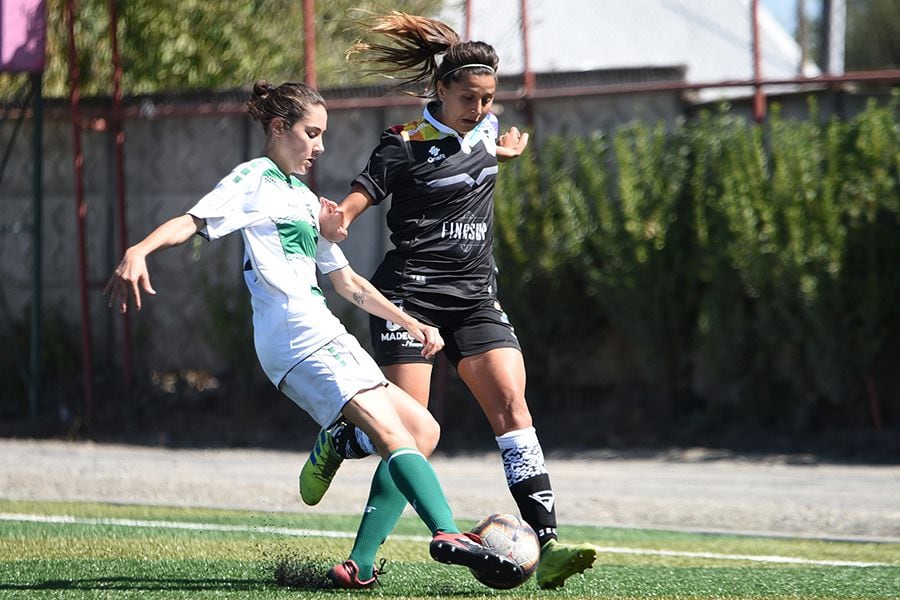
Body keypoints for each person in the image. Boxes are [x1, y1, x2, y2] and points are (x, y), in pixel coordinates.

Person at [103, 79, 524, 590]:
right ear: (279, 128)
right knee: (394, 438)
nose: (320, 146)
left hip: (323, 329)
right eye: (312, 133)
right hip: (295, 335)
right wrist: (140, 250)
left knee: (424, 431)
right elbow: (191, 221)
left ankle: (353, 523)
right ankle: (445, 532)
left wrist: (411, 322)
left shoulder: (302, 198)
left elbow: (346, 282)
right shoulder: (254, 179)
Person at [298, 12, 598, 590]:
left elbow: (478, 151)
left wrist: (503, 152)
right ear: (440, 90)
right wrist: (338, 220)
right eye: (469, 98)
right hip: (408, 298)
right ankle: (357, 533)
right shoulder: (402, 145)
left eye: (488, 99)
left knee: (514, 408)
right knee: (408, 434)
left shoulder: (484, 134)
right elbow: (358, 201)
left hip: (476, 299)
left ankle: (550, 545)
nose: (481, 110)